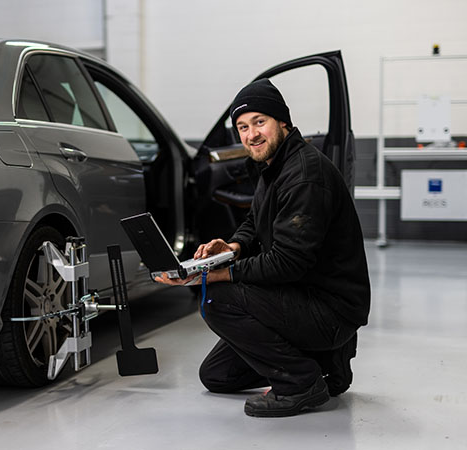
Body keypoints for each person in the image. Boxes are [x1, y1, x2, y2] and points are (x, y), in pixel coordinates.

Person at [156, 78, 370, 418]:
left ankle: (302, 383)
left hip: (330, 310)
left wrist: (219, 274)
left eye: (260, 122)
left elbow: (288, 263)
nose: (251, 134)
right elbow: (255, 222)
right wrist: (234, 246)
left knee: (215, 297)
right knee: (216, 376)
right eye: (242, 127)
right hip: (305, 298)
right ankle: (327, 363)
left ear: (282, 122)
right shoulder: (273, 167)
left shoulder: (303, 174)